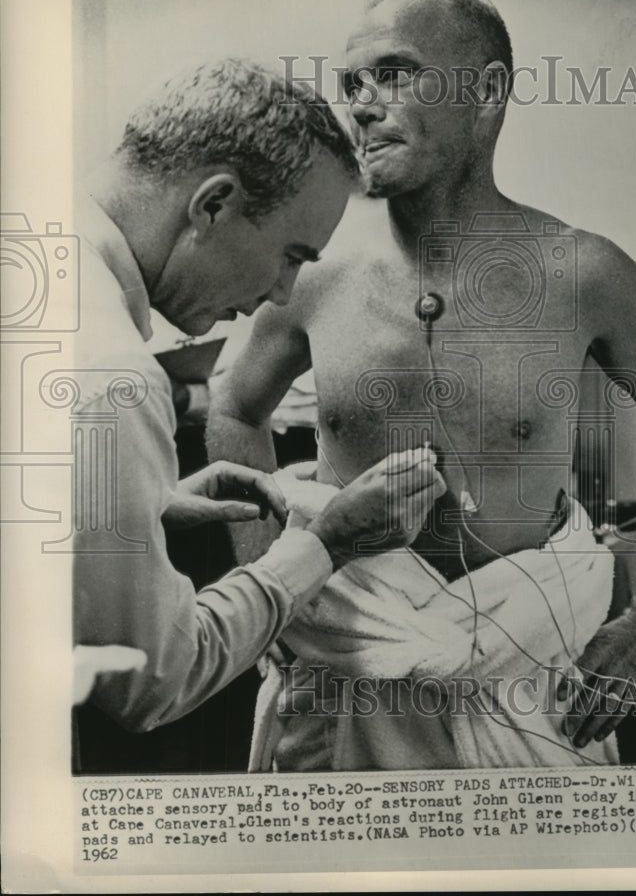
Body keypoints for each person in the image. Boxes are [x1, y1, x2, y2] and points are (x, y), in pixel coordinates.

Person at [207, 0, 636, 769]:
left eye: (393, 74)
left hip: (527, 674)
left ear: (486, 92)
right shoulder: (318, 277)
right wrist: (270, 591)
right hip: (349, 661)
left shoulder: (582, 271)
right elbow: (233, 408)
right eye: (351, 85)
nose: (362, 106)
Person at [71, 57, 446, 753]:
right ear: (213, 204)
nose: (280, 293)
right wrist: (325, 545)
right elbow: (154, 681)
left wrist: (138, 500)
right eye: (290, 255)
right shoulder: (109, 375)